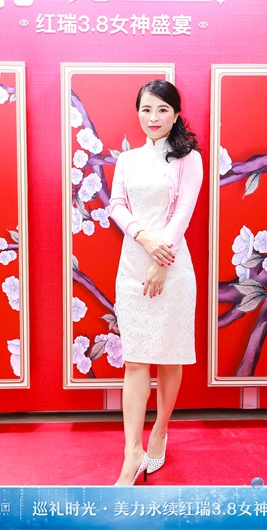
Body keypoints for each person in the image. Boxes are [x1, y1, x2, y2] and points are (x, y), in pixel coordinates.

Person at [109, 79, 203, 486]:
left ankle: (160, 430)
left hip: (173, 266)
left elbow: (183, 213)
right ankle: (132, 452)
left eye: (162, 110)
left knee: (168, 357)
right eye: (146, 109)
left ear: (176, 114)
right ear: (138, 112)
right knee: (135, 359)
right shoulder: (127, 159)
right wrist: (143, 238)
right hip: (132, 265)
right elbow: (116, 205)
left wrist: (163, 259)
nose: (153, 117)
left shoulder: (189, 159)